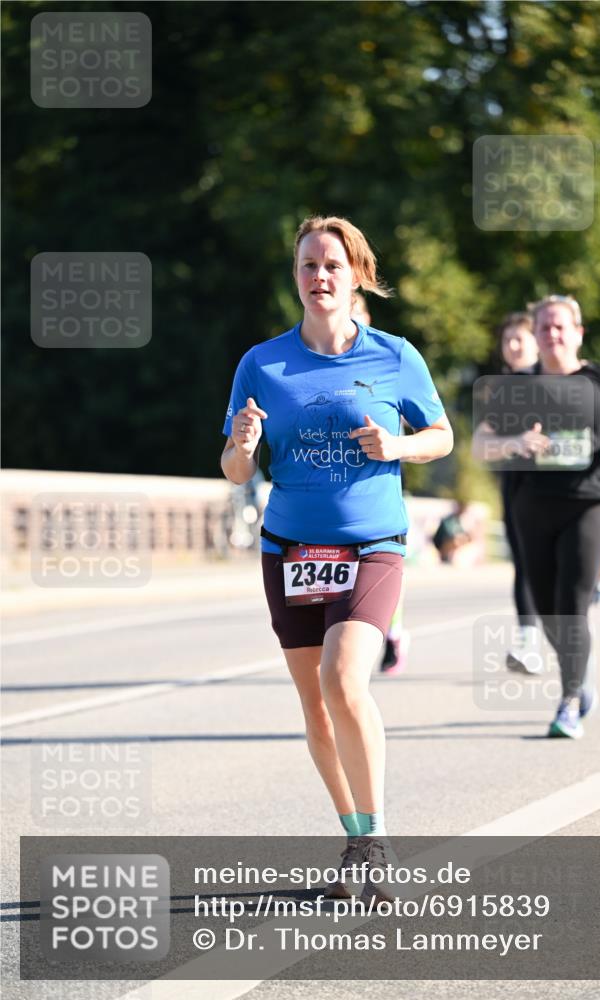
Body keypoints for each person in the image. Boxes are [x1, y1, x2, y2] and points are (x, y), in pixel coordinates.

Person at [221, 216, 453, 895]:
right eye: (307, 266)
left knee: (344, 681)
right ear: (295, 277)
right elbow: (236, 472)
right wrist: (240, 443)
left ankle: (376, 839)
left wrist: (399, 446)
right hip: (288, 547)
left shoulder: (394, 356)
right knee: (315, 706)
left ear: (356, 274)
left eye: (331, 265)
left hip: (371, 544)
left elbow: (439, 434)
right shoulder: (261, 363)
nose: (319, 277)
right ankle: (355, 841)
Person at [472, 295, 600, 738]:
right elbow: (481, 445)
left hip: (591, 501)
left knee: (572, 603)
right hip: (534, 505)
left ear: (578, 332)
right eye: (544, 327)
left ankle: (568, 700)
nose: (552, 334)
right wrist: (515, 445)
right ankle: (579, 671)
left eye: (560, 326)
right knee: (548, 611)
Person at [351, 290, 411, 676]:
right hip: (326, 507)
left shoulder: (389, 362)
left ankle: (393, 629)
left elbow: (427, 431)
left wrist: (393, 443)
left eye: (357, 313)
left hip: (379, 497)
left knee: (381, 572)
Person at [495, 312, 542, 674]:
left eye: (519, 339)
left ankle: (561, 636)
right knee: (524, 564)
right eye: (507, 339)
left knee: (549, 568)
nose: (512, 346)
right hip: (514, 482)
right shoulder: (502, 387)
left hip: (550, 486)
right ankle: (530, 640)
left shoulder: (552, 382)